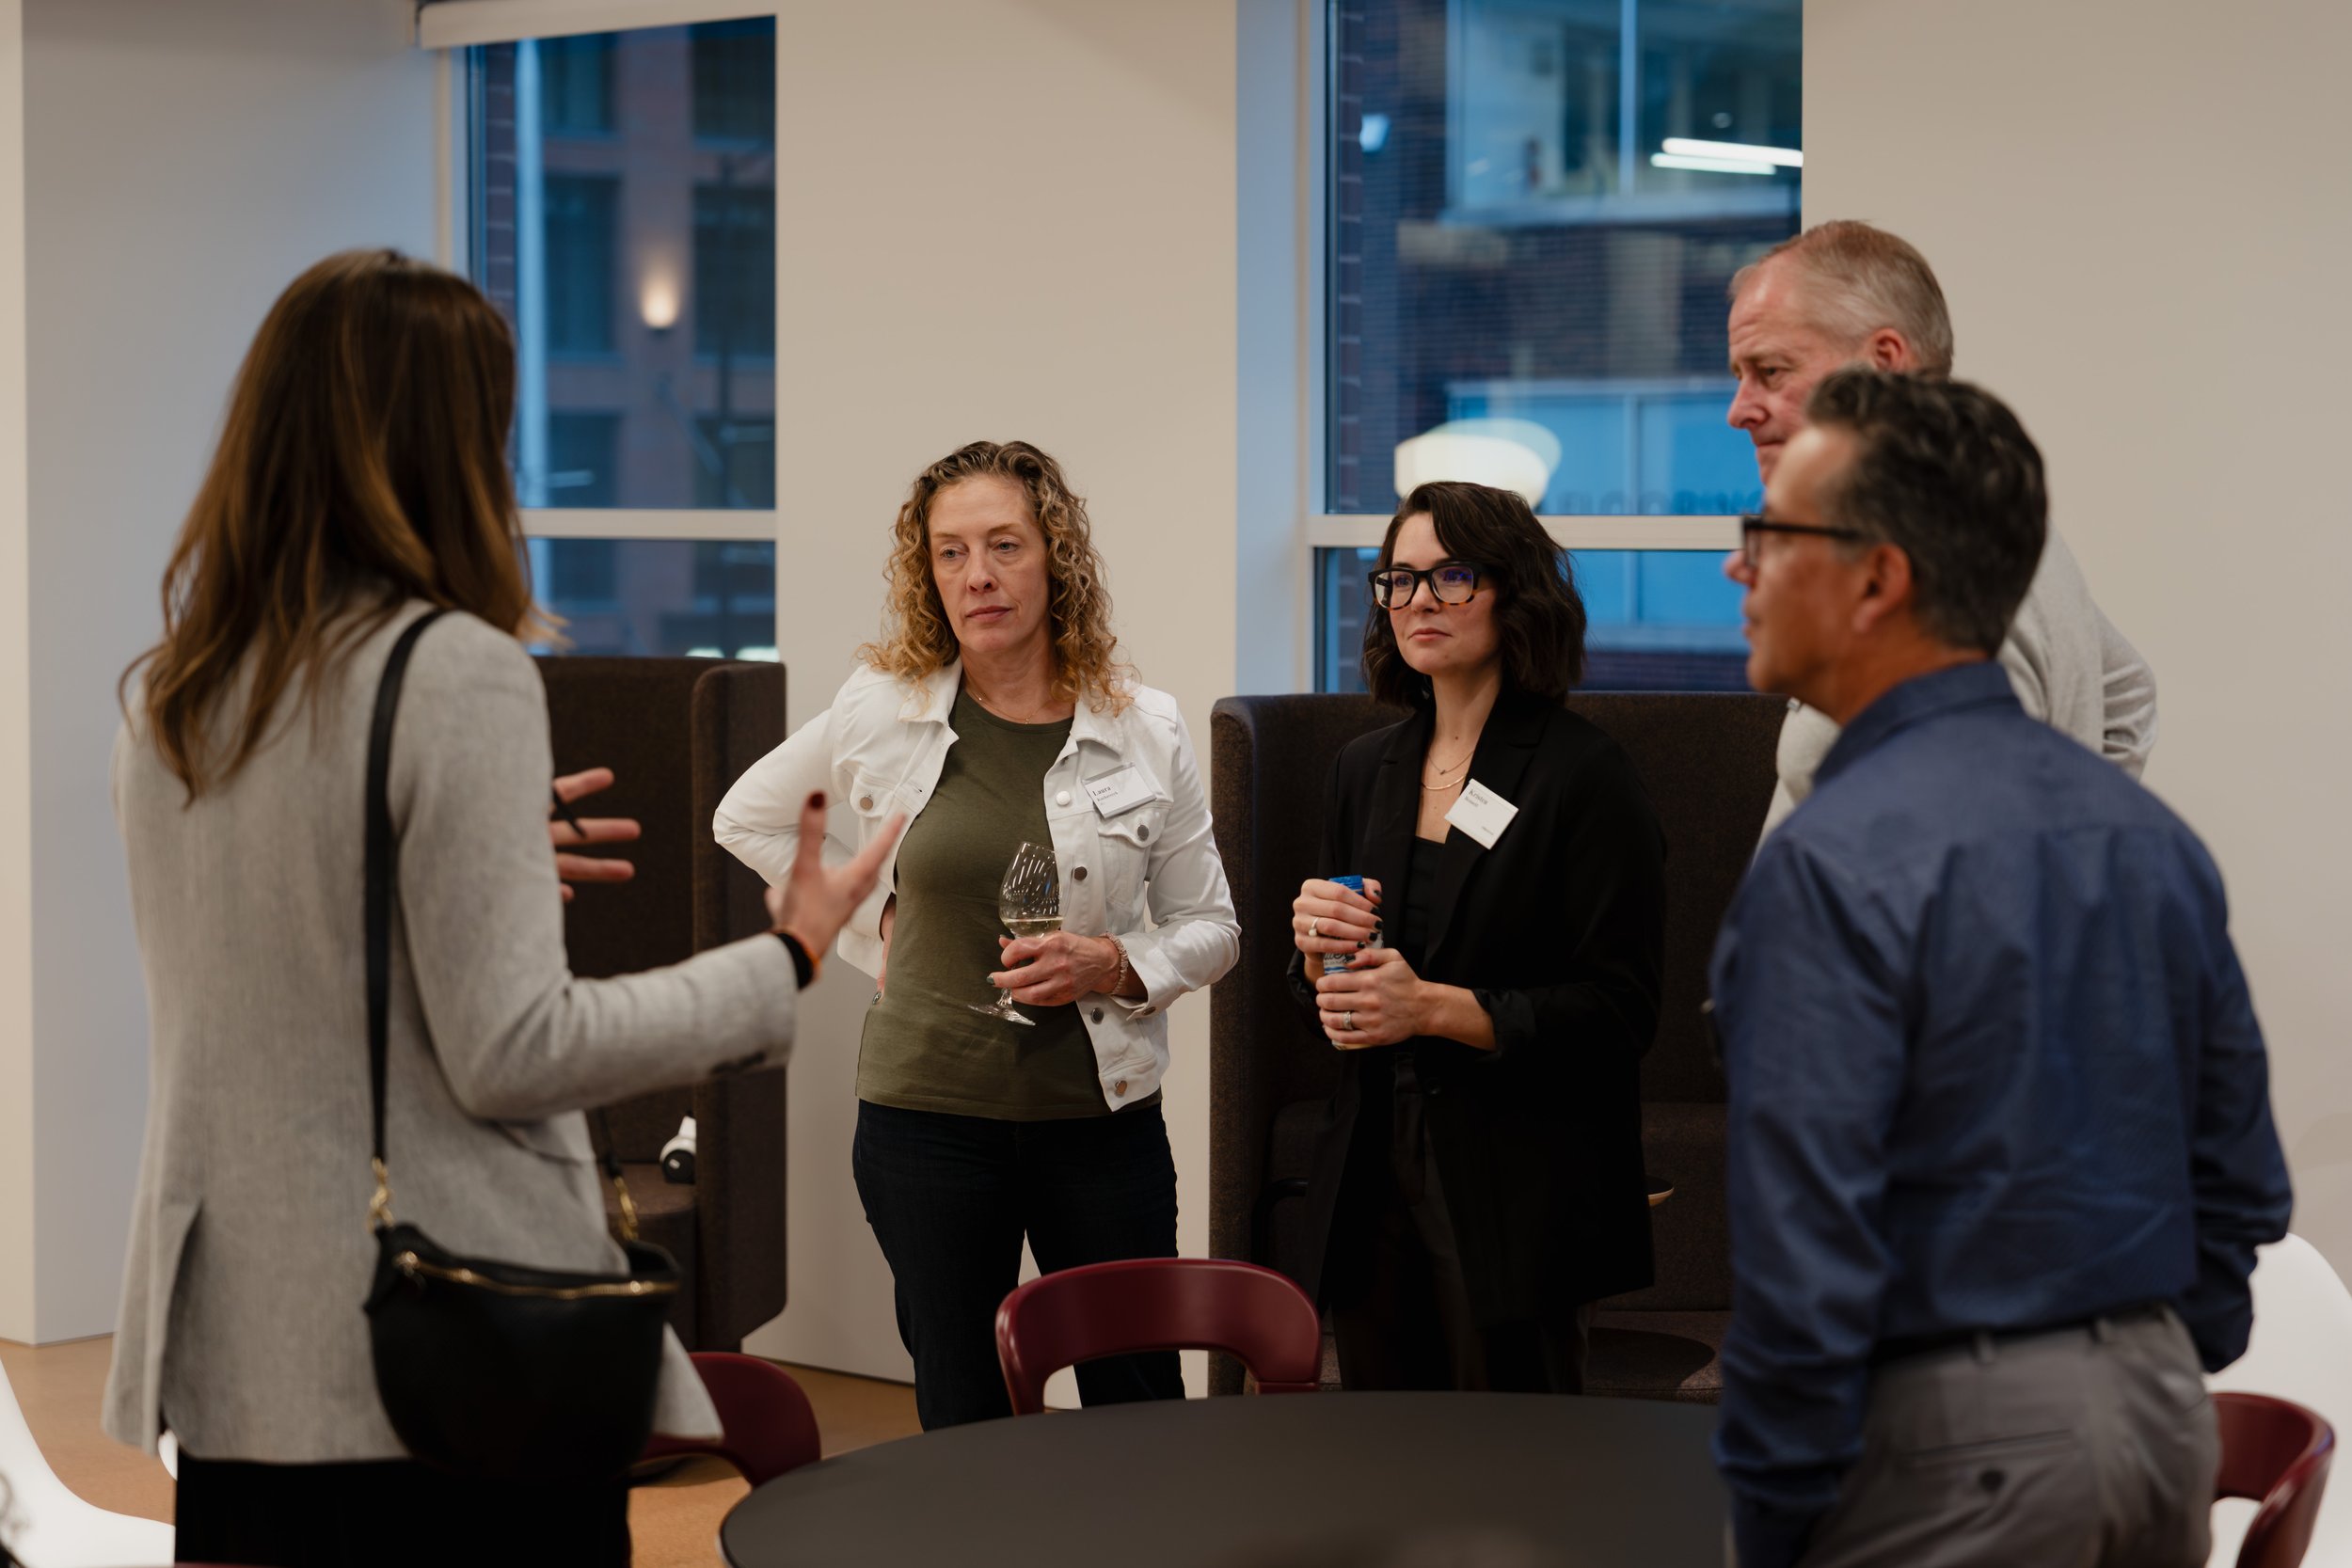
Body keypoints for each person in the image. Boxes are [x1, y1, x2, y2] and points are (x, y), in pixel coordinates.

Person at [103, 250, 897, 1568]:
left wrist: (464, 855)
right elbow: (513, 1047)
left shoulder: (174, 694)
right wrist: (787, 953)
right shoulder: (454, 672)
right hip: (438, 1343)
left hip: (236, 1347)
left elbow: (278, 954)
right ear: (452, 442)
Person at [1709, 368, 2291, 1568]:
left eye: (1770, 533)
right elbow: (2239, 1187)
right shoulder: (2146, 835)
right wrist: (2132, 1374)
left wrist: (1771, 1525)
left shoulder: (1830, 862)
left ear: (1877, 578)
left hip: (1948, 1456)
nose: (1739, 566)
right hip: (2163, 1433)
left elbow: (1804, 1260)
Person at [713, 439, 1239, 1430]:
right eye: (949, 552)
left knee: (1139, 1398)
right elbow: (747, 816)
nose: (978, 575)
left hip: (1101, 1120)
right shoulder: (882, 706)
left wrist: (1117, 961)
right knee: (964, 1408)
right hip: (924, 1121)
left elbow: (1212, 926)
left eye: (1003, 544)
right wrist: (881, 925)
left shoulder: (1146, 725)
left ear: (1057, 560)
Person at [1285, 481, 1665, 1394]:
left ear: (1513, 589)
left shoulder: (1584, 773)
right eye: (1398, 579)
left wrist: (1431, 1007)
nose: (1419, 600)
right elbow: (1327, 1006)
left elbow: (1618, 1014)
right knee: (1387, 1465)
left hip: (1516, 1185)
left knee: (1516, 1484)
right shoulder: (1361, 768)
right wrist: (1313, 957)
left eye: (1451, 575)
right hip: (1371, 1167)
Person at [1725, 220, 2157, 836]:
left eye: (1771, 370)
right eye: (1739, 374)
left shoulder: (1948, 556)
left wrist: (2071, 861)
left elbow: (1972, 873)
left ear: (1884, 363)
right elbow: (2129, 692)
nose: (1739, 409)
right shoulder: (1984, 518)